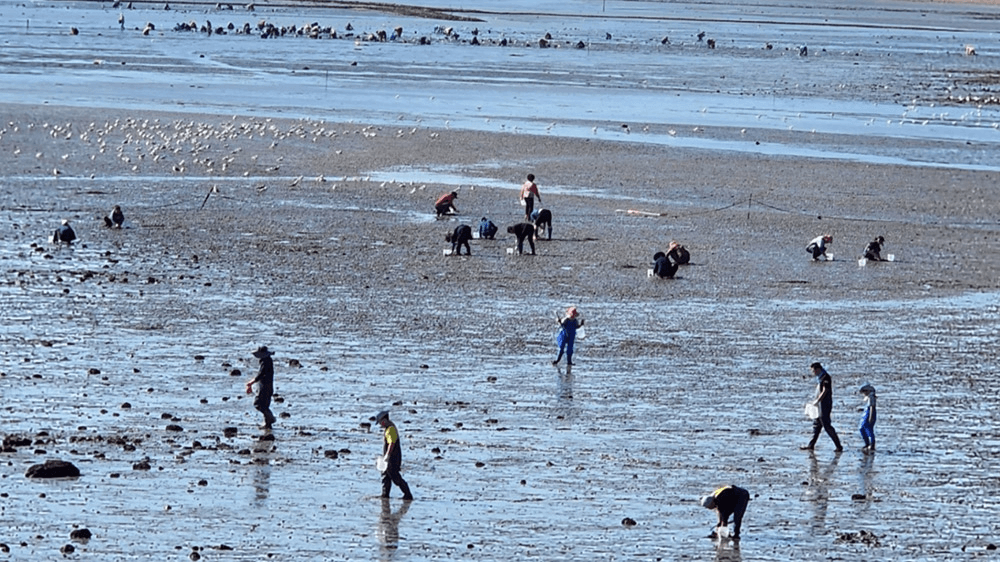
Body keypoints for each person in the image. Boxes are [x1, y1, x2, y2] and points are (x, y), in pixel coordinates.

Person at [801, 362, 843, 451]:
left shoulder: (825, 377)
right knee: (817, 425)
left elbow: (825, 390)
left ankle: (838, 446)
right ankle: (811, 445)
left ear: (818, 369)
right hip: (819, 406)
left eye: (813, 371)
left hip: (825, 405)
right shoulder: (820, 378)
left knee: (826, 425)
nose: (813, 373)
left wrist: (817, 400)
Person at [376, 410, 413, 500]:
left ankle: (407, 494)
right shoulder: (388, 429)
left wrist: (387, 455)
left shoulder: (390, 429)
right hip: (388, 458)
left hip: (393, 458)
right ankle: (385, 494)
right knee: (385, 476)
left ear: (383, 420)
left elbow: (392, 443)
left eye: (380, 423)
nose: (381, 425)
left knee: (395, 477)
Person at [245, 345, 276, 429]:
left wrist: (251, 382)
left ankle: (271, 418)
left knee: (258, 404)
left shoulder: (265, 361)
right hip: (268, 386)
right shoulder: (268, 360)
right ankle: (267, 424)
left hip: (264, 387)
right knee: (265, 405)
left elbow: (261, 374)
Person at [859, 384, 877, 452]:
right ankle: (867, 443)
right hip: (865, 415)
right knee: (862, 428)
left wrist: (871, 417)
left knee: (869, 429)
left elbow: (872, 407)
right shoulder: (868, 397)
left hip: (869, 416)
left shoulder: (871, 397)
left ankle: (872, 445)